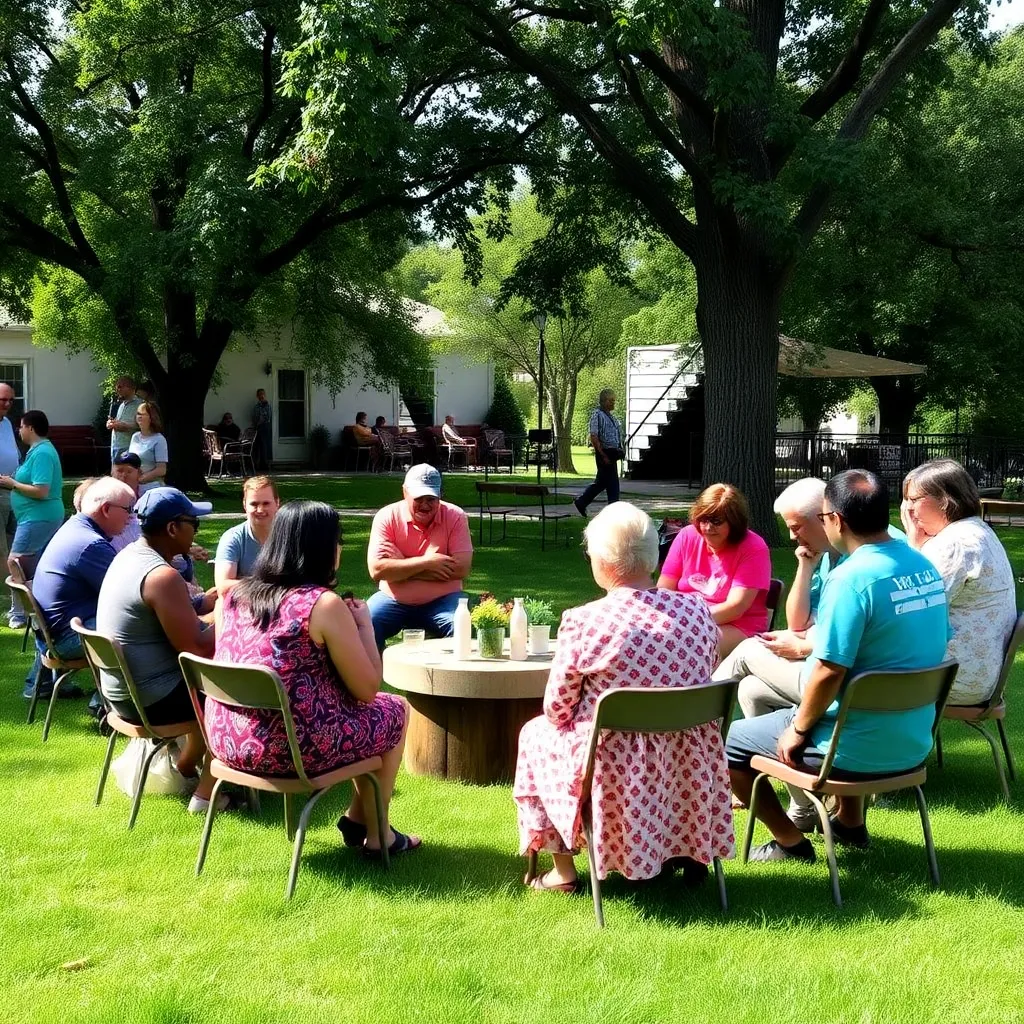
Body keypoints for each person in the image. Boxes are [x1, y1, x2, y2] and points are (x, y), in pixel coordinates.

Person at [727, 470, 950, 864]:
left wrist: (797, 730)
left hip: (849, 748)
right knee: (757, 692)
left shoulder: (850, 579)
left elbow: (829, 671)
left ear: (836, 520)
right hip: (912, 742)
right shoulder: (923, 568)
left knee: (734, 743)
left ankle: (790, 843)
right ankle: (849, 823)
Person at [513, 502, 732, 893]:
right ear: (651, 555)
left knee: (535, 734)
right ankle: (686, 850)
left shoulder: (585, 621)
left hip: (614, 760)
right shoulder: (699, 610)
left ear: (603, 561)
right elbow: (704, 670)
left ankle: (563, 871)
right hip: (689, 753)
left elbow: (557, 709)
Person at [206, 501, 419, 857]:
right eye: (338, 541)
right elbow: (367, 690)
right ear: (324, 548)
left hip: (229, 742)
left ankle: (356, 818)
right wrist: (365, 626)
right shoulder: (321, 604)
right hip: (292, 750)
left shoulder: (233, 597)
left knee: (366, 713)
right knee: (394, 708)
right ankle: (378, 833)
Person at [95, 487, 220, 813]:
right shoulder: (161, 576)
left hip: (122, 693)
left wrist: (209, 603)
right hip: (152, 700)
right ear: (172, 528)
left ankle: (184, 769)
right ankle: (209, 794)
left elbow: (176, 616)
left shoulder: (128, 557)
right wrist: (233, 617)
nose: (196, 530)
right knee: (235, 697)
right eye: (194, 523)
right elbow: (193, 646)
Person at [901, 459, 1016, 705]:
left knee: (847, 668)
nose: (908, 510)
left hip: (952, 678)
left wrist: (912, 546)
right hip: (975, 675)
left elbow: (909, 611)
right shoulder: (975, 530)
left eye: (914, 499)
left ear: (946, 500)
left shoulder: (955, 544)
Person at [24, 477, 135, 700]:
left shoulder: (74, 528)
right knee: (140, 628)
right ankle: (106, 703)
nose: (132, 517)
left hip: (51, 634)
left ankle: (47, 685)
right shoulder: (90, 544)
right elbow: (130, 595)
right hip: (65, 638)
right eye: (128, 509)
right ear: (105, 509)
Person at [366, 464, 473, 650]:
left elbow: (461, 569)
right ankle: (373, 676)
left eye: (431, 498)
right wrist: (429, 562)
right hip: (392, 599)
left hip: (445, 600)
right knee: (366, 622)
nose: (425, 505)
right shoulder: (386, 516)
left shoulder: (455, 516)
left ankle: (450, 678)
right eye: (419, 498)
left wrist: (400, 565)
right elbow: (377, 570)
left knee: (462, 625)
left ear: (440, 495)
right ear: (405, 492)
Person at [657, 483, 771, 657]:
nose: (708, 528)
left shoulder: (753, 547)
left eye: (717, 521)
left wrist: (688, 621)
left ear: (734, 522)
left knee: (689, 646)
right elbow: (663, 590)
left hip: (738, 626)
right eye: (703, 519)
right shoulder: (687, 535)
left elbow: (736, 607)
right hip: (686, 620)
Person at [0, 410, 65, 583]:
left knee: (15, 562)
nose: (19, 431)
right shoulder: (37, 450)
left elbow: (41, 491)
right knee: (33, 565)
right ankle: (38, 604)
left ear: (30, 428)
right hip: (36, 517)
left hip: (38, 517)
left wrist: (12, 484)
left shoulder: (42, 453)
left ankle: (19, 610)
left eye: (21, 427)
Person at [214, 475, 281, 596]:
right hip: (244, 605)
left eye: (266, 503)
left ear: (277, 503)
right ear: (245, 505)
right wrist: (269, 585)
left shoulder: (290, 535)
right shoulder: (233, 538)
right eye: (254, 504)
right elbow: (223, 587)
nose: (260, 510)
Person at [573, 389, 622, 518]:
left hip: (612, 454)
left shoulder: (611, 417)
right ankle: (614, 511)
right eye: (611, 400)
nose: (613, 403)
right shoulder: (597, 415)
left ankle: (582, 502)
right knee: (613, 485)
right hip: (604, 453)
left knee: (602, 483)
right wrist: (602, 455)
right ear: (604, 401)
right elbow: (594, 436)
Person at [0, 383, 22, 626]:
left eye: (10, 400)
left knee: (17, 550)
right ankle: (12, 604)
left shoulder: (6, 423)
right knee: (2, 552)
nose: (7, 404)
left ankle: (17, 604)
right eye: (2, 400)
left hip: (14, 493)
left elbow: (13, 453)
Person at [128, 401, 168, 493]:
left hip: (152, 487)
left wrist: (142, 478)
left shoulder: (159, 439)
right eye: (138, 414)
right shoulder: (135, 436)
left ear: (152, 417)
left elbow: (162, 470)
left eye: (143, 414)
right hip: (134, 486)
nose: (139, 417)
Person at [106, 375, 142, 462]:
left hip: (129, 447)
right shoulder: (121, 405)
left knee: (126, 474)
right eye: (116, 387)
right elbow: (118, 422)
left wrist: (125, 426)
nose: (117, 389)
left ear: (131, 388)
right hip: (115, 446)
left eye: (120, 386)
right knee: (115, 475)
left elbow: (142, 426)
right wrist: (111, 423)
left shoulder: (140, 405)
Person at [252, 388, 273, 471]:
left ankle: (265, 464)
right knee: (258, 446)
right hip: (258, 427)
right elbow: (254, 417)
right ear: (257, 396)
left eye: (263, 394)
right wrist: (257, 422)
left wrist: (261, 420)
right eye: (260, 394)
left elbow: (268, 417)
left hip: (265, 427)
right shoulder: (256, 406)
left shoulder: (267, 405)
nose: (261, 395)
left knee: (265, 446)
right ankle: (258, 464)